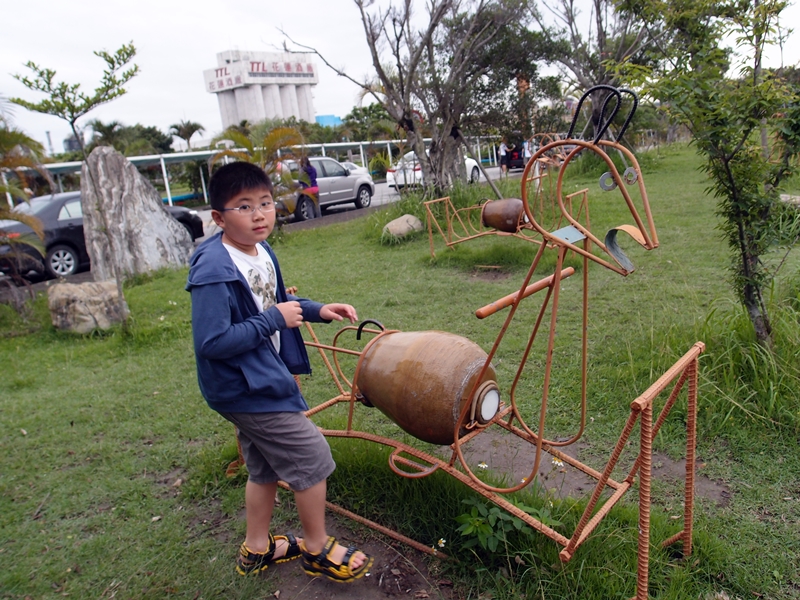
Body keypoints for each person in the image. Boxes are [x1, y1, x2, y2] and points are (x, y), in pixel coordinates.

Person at [186, 161, 373, 582]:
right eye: (244, 206)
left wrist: (318, 310)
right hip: (243, 388)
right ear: (218, 218)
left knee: (264, 467)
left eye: (266, 203)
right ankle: (317, 547)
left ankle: (256, 549)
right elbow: (212, 343)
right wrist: (274, 320)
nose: (259, 214)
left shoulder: (261, 250)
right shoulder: (213, 269)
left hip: (256, 377)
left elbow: (273, 302)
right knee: (312, 456)